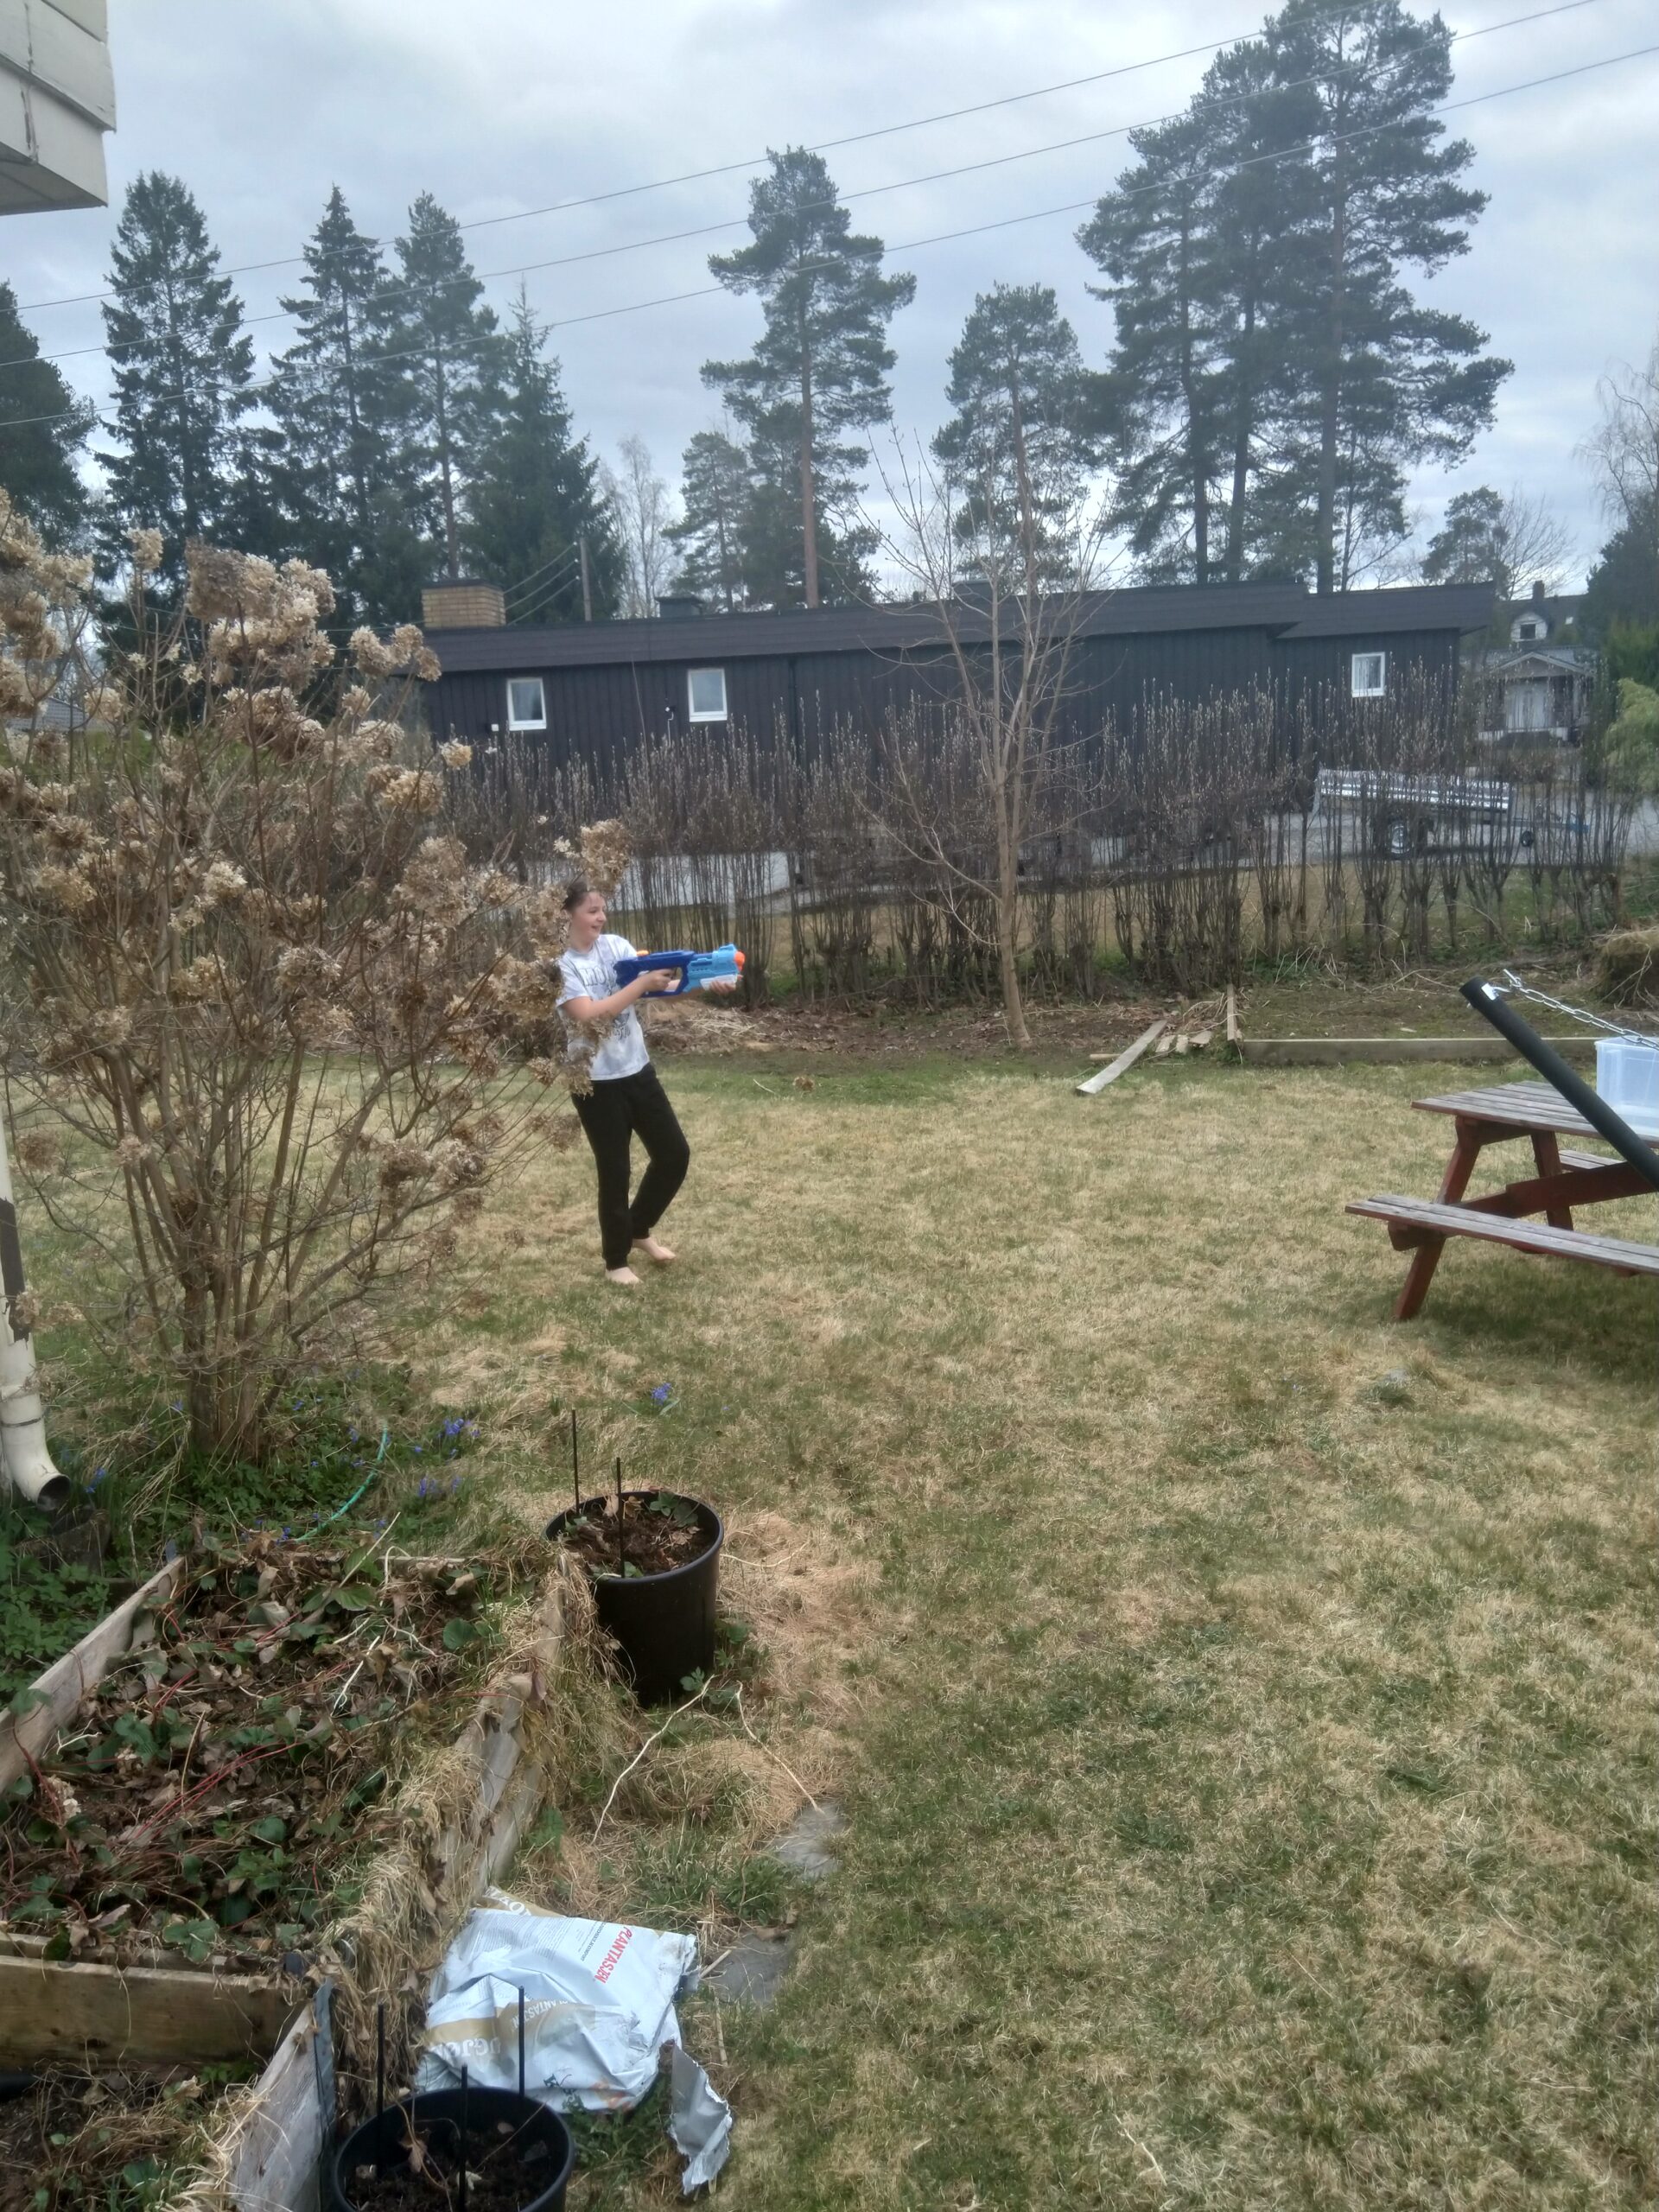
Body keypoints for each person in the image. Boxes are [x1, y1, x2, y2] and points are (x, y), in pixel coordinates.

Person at [555, 881, 732, 1287]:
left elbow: (661, 991)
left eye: (603, 909)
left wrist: (705, 980)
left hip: (638, 1070)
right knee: (615, 1170)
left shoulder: (616, 946)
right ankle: (616, 1261)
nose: (602, 917)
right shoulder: (560, 967)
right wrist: (640, 985)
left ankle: (638, 1229)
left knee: (674, 1155)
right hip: (595, 1081)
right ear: (568, 915)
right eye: (592, 911)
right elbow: (588, 1015)